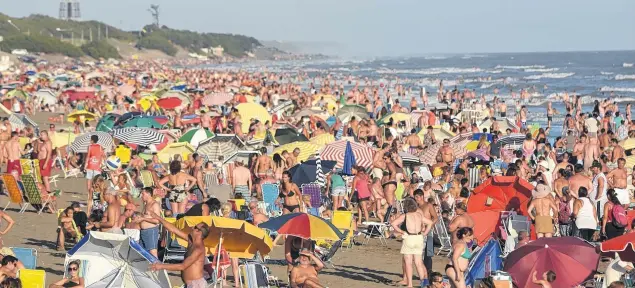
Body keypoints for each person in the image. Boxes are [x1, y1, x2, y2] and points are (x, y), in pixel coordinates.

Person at [149, 211, 210, 288]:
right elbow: (174, 230)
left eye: (195, 227)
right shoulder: (191, 241)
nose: (192, 227)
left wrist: (161, 266)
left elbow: (182, 266)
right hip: (190, 284)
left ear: (199, 232)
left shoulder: (198, 249)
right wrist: (159, 218)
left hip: (196, 285)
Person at [391, 198, 433, 287]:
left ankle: (410, 284)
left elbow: (393, 223)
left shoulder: (405, 215)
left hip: (409, 238)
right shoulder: (419, 215)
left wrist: (401, 232)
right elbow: (430, 222)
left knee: (408, 263)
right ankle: (423, 283)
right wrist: (424, 233)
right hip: (418, 238)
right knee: (419, 263)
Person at [413, 189, 438, 275]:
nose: (416, 199)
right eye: (415, 197)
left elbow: (435, 218)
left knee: (428, 254)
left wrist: (429, 226)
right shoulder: (416, 207)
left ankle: (429, 272)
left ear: (422, 196)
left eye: (417, 197)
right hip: (419, 232)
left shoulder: (428, 205)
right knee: (420, 254)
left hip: (429, 231)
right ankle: (424, 273)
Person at [136, 187, 161, 258]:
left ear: (148, 194)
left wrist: (143, 218)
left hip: (151, 231)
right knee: (141, 252)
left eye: (143, 194)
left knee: (153, 253)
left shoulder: (154, 204)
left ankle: (158, 268)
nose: (141, 196)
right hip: (143, 231)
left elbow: (157, 220)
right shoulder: (145, 204)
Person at [84, 135, 104, 200]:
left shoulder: (90, 147)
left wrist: (85, 166)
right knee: (97, 180)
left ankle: (89, 193)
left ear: (92, 140)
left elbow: (88, 156)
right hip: (97, 165)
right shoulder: (100, 147)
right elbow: (103, 156)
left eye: (90, 139)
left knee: (89, 179)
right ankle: (96, 192)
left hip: (90, 164)